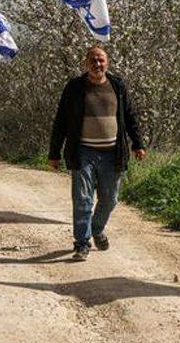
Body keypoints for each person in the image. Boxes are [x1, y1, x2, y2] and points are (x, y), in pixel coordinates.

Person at [49, 46, 146, 261]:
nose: (97, 64)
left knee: (110, 198)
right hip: (83, 151)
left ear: (107, 63)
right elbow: (61, 121)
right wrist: (54, 152)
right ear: (86, 63)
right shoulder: (74, 87)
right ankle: (82, 243)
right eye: (93, 60)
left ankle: (96, 228)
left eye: (101, 60)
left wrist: (138, 143)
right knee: (82, 199)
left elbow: (130, 116)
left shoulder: (118, 86)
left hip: (112, 153)